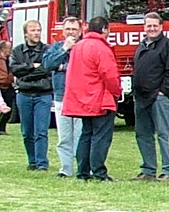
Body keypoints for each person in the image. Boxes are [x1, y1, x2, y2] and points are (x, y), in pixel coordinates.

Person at [63, 16, 122, 182]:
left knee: (86, 135)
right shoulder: (102, 48)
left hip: (82, 99)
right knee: (100, 137)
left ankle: (83, 171)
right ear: (104, 29)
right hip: (100, 99)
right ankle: (99, 172)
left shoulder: (78, 46)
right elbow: (109, 75)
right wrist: (117, 91)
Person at [131, 11, 169, 180]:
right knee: (142, 134)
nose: (151, 29)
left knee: (164, 134)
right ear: (144, 27)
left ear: (161, 27)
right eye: (148, 26)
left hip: (159, 98)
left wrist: (162, 91)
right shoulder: (142, 45)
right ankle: (148, 169)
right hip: (141, 97)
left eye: (155, 26)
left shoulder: (168, 46)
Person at [9, 20, 54, 171]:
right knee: (27, 131)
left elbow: (46, 69)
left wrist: (26, 75)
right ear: (26, 34)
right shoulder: (17, 51)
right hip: (24, 94)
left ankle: (42, 163)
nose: (36, 33)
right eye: (33, 30)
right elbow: (14, 70)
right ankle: (32, 161)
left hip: (43, 94)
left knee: (41, 131)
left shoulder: (47, 50)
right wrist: (30, 66)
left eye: (38, 30)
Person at [44, 17, 82, 177]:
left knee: (81, 136)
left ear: (80, 31)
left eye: (74, 29)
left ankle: (83, 167)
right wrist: (64, 49)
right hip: (61, 97)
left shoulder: (84, 47)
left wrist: (63, 67)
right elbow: (47, 64)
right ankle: (66, 169)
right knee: (64, 137)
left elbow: (82, 68)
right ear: (63, 31)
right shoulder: (56, 47)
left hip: (81, 98)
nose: (71, 32)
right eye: (68, 29)